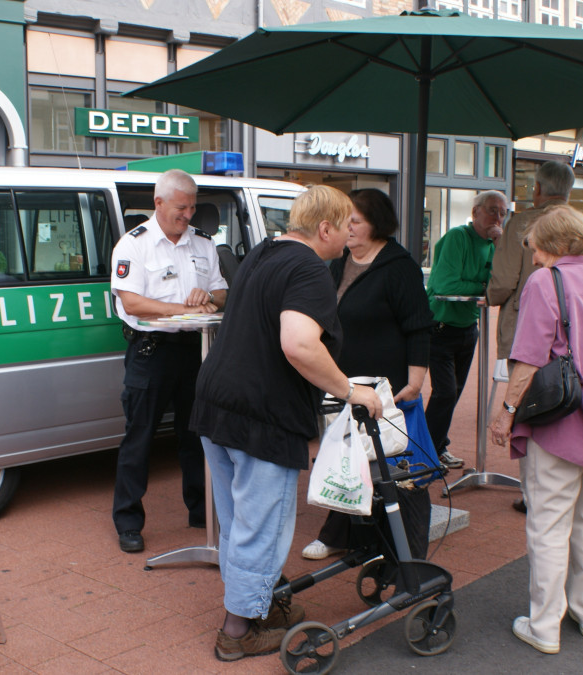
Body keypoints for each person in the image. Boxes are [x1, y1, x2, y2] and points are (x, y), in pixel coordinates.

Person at [191, 185, 383, 662]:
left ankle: (262, 606)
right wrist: (350, 389)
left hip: (217, 402)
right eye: (344, 227)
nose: (348, 237)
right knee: (263, 524)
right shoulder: (309, 269)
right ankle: (238, 630)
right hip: (263, 413)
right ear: (324, 228)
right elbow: (298, 343)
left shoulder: (263, 252)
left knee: (238, 521)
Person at [488, 204, 583, 655]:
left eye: (535, 247)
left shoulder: (546, 281)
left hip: (564, 417)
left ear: (554, 245)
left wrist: (507, 413)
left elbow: (531, 358)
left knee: (549, 524)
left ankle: (544, 626)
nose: (533, 256)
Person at [299, 188, 434, 561]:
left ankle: (394, 546)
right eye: (346, 221)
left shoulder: (398, 265)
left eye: (355, 221)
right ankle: (341, 532)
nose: (349, 227)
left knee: (387, 460)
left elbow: (418, 326)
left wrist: (416, 380)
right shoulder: (340, 260)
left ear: (377, 223)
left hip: (386, 385)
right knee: (346, 455)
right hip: (344, 379)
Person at [109, 169, 229, 553]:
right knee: (139, 437)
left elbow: (222, 291)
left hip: (196, 350)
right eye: (181, 207)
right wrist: (182, 307)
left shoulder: (203, 244)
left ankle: (201, 511)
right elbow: (133, 302)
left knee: (196, 435)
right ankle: (128, 521)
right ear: (158, 202)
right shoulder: (134, 245)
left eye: (193, 207)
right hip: (152, 351)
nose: (188, 214)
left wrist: (208, 298)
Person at [488, 162, 573, 514]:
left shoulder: (522, 223)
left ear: (538, 188)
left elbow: (504, 280)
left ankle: (531, 491)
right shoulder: (576, 221)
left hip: (526, 321)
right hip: (571, 329)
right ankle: (559, 480)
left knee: (526, 399)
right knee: (564, 398)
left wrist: (491, 294)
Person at [425, 190, 506, 469]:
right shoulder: (457, 237)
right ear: (476, 213)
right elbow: (447, 285)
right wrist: (484, 289)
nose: (498, 217)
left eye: (503, 212)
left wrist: (502, 245)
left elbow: (504, 281)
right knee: (444, 392)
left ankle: (436, 445)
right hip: (440, 326)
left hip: (468, 328)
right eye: (493, 210)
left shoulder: (496, 244)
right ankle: (426, 450)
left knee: (454, 393)